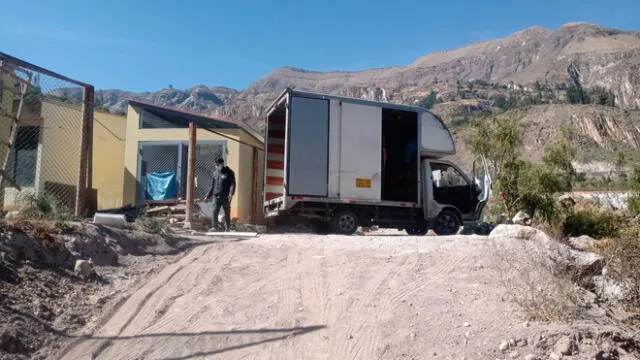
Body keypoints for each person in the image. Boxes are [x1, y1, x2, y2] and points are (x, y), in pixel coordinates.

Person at [202, 157, 236, 231]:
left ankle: (228, 227)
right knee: (214, 211)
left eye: (218, 164)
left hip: (225, 196)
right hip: (216, 196)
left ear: (222, 164)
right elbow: (212, 186)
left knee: (227, 212)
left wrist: (231, 193)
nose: (216, 166)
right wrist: (207, 196)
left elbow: (232, 184)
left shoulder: (229, 172)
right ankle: (215, 227)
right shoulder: (215, 173)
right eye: (215, 165)